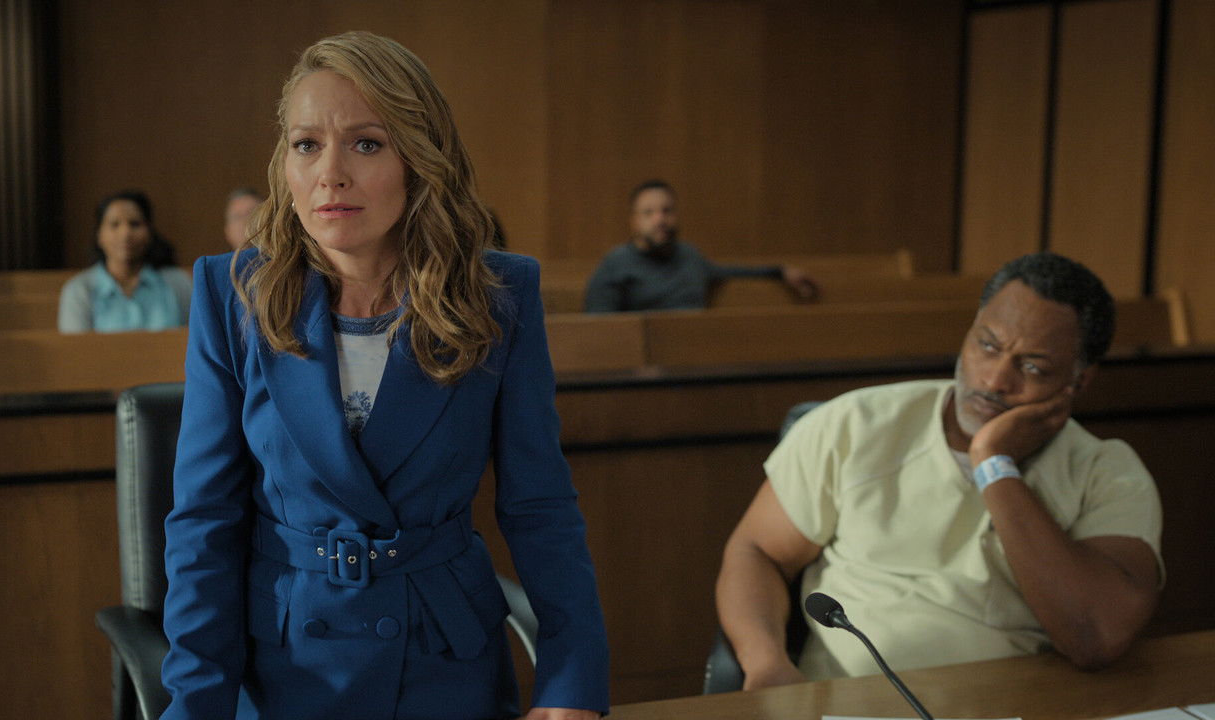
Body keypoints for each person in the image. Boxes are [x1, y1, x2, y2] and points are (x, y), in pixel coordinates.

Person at [160, 32, 608, 720]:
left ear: (420, 160)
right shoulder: (232, 293)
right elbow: (204, 521)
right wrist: (195, 704)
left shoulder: (500, 295)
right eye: (307, 144)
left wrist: (572, 680)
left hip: (442, 660)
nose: (329, 174)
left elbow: (538, 505)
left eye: (366, 144)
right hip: (285, 667)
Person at [716, 252, 1162, 688]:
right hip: (849, 703)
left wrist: (994, 465)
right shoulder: (855, 424)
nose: (995, 380)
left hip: (1013, 709)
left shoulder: (1107, 472)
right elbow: (757, 551)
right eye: (987, 345)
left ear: (1078, 381)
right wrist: (765, 662)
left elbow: (1094, 636)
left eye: (1032, 366)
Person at [583, 180, 815, 312]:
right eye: (648, 213)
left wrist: (779, 272)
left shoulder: (690, 257)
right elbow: (601, 329)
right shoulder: (615, 266)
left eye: (667, 211)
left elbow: (731, 271)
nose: (660, 219)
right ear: (634, 221)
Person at [57, 190, 191, 333]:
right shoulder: (79, 290)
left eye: (135, 224)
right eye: (114, 224)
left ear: (150, 232)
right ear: (99, 235)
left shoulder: (178, 283)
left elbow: (197, 338)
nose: (125, 233)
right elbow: (75, 346)